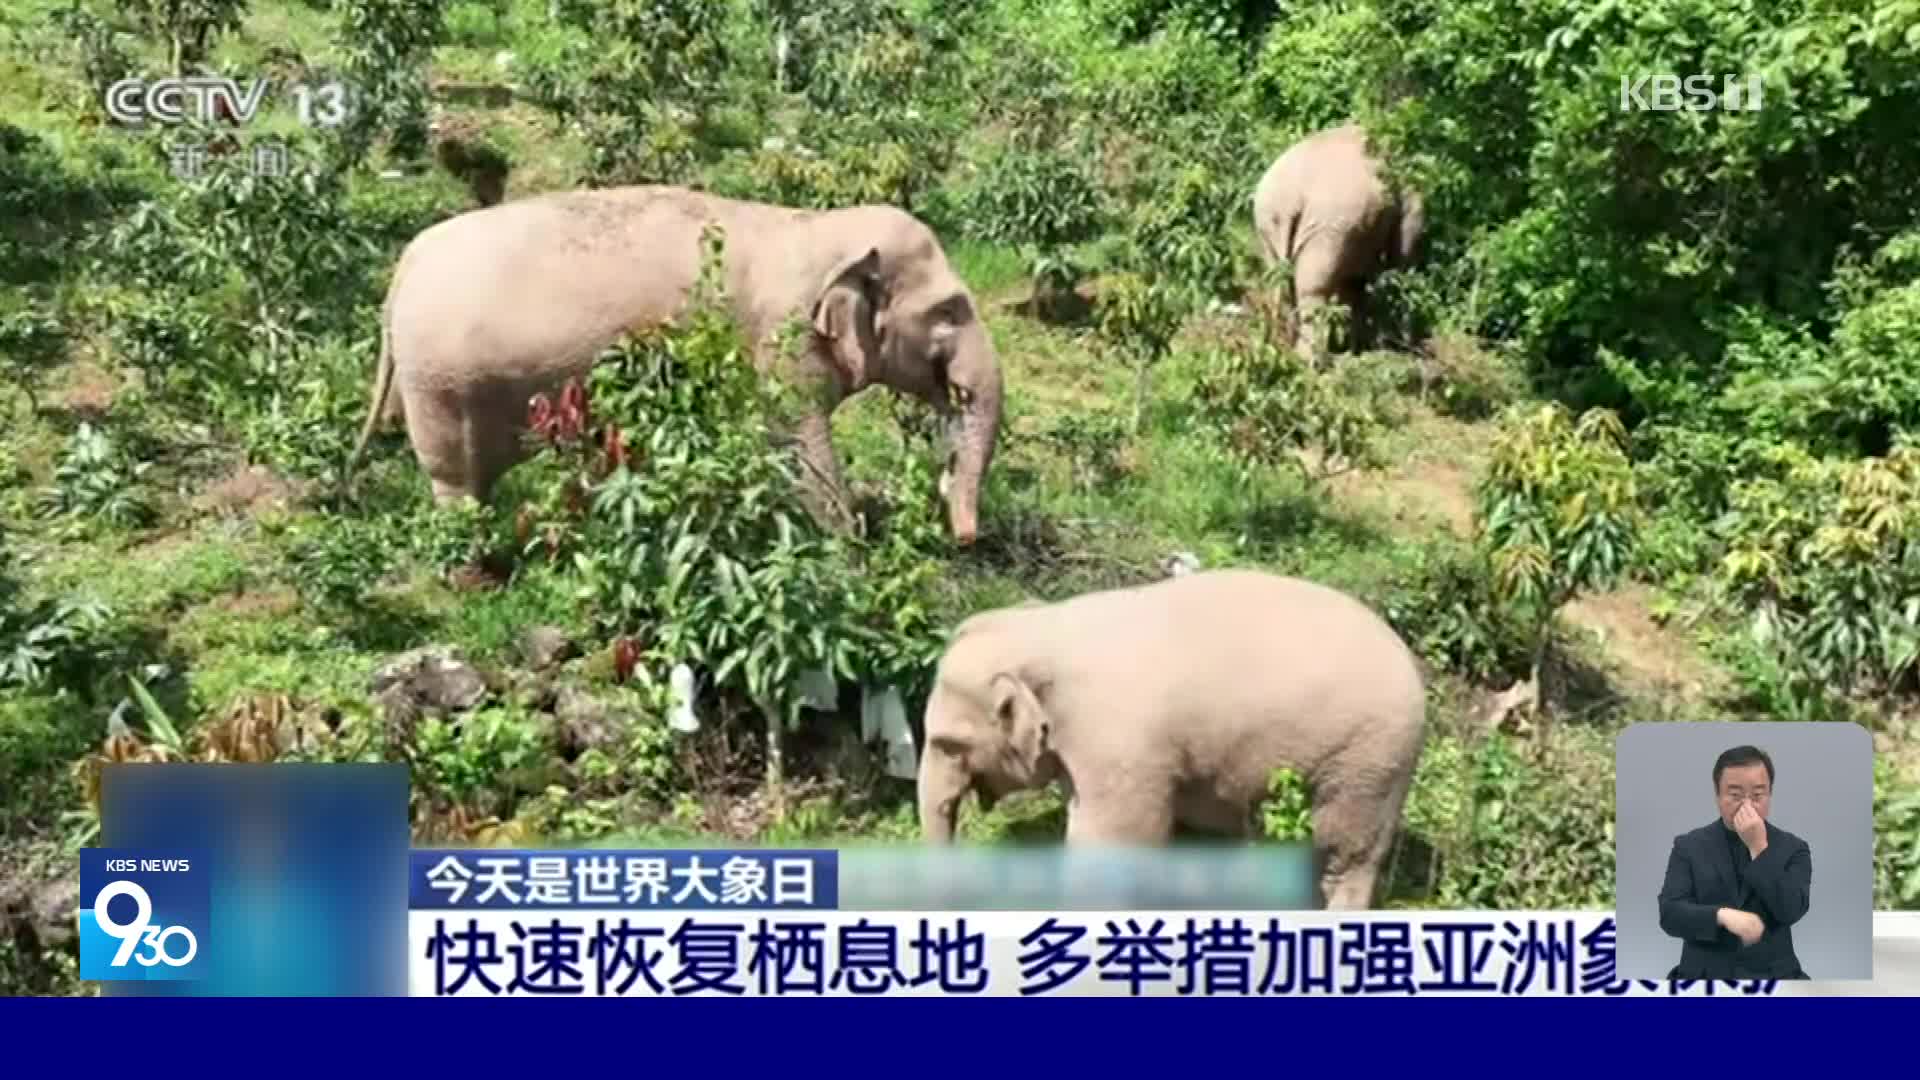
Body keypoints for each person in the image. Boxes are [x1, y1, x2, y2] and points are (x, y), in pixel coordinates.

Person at [1656, 744, 1813, 979]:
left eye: (1758, 795)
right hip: (1704, 978)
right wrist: (1722, 915)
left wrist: (1759, 848)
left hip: (1773, 977)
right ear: (1718, 795)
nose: (1747, 805)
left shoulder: (1794, 848)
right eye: (1735, 795)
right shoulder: (1689, 845)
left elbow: (1790, 910)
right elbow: (1670, 915)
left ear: (1770, 794)